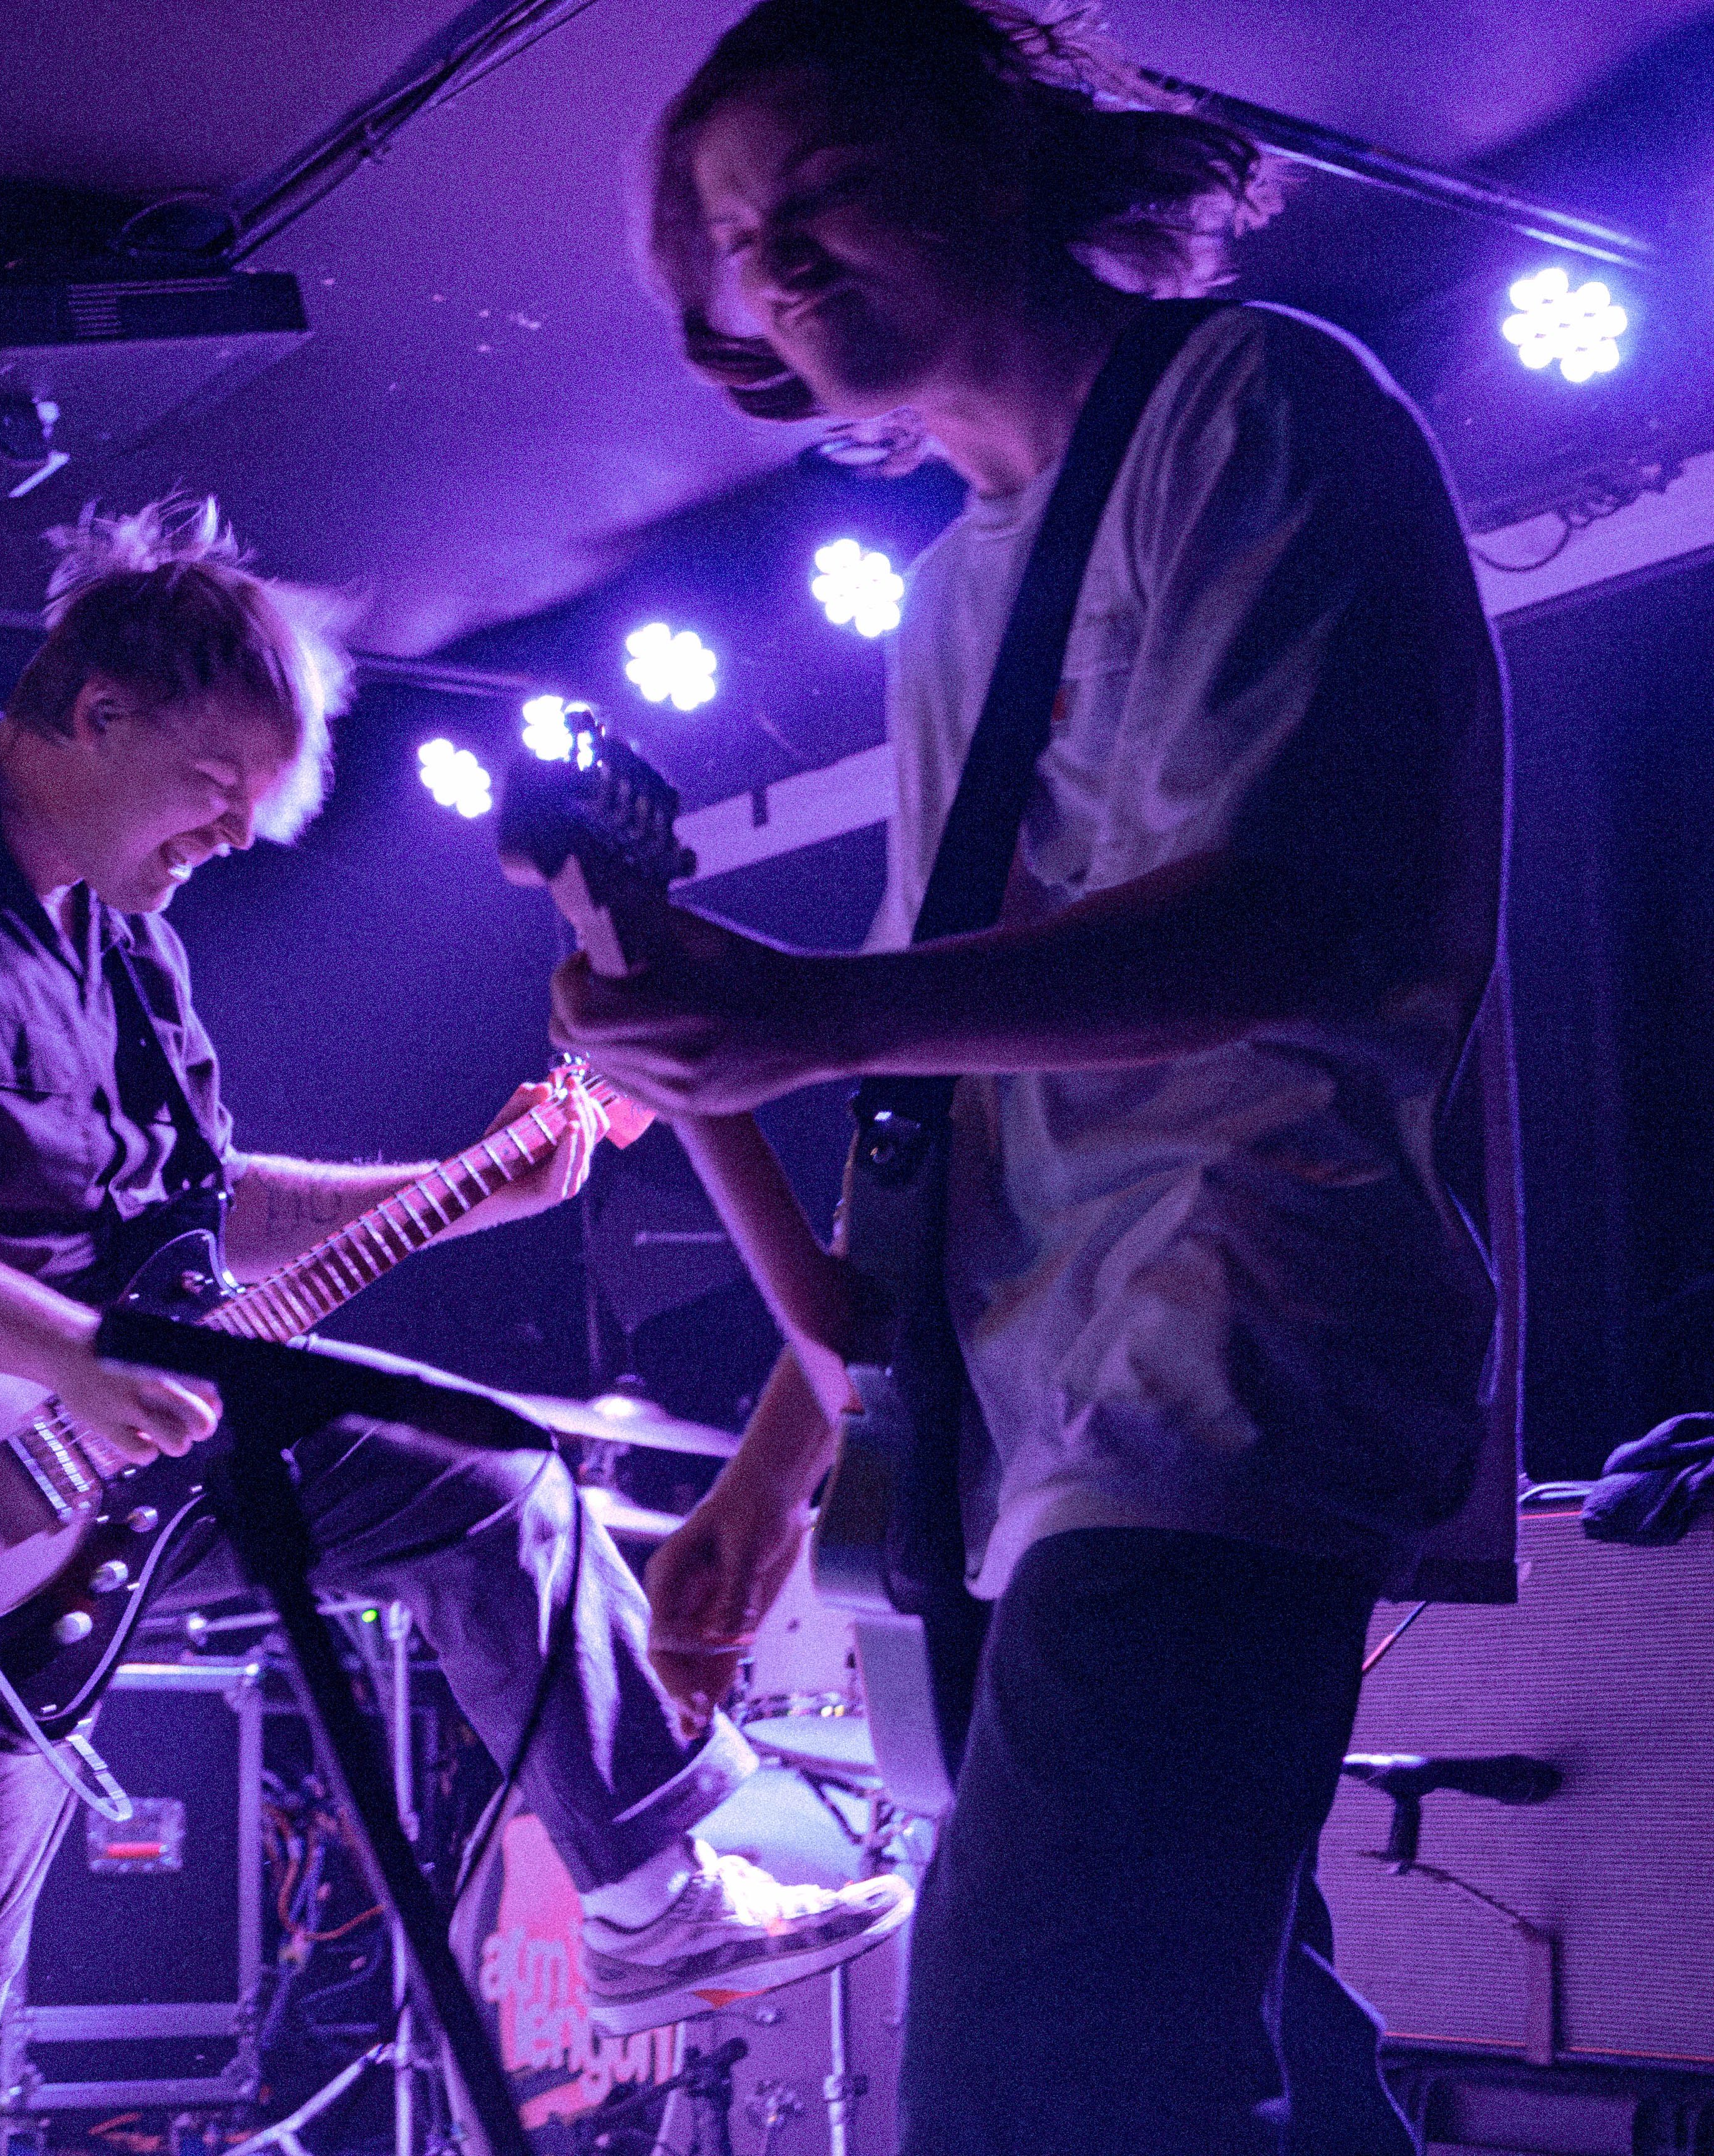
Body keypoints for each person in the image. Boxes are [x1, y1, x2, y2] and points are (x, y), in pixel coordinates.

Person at [0, 499, 912, 2156]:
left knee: (486, 1478)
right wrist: (63, 1355)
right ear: (95, 709)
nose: (235, 837)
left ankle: (653, 1892)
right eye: (211, 789)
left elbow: (201, 1208)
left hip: (117, 1437)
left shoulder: (137, 950)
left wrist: (474, 1187)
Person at [556, 5, 1507, 2150]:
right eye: (725, 236)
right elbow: (944, 1096)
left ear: (999, 151)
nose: (772, 265)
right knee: (1219, 2041)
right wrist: (780, 1456)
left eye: (817, 191)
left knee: (1033, 2074)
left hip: (1228, 1341)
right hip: (1019, 1413)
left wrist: (805, 1013)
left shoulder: (1255, 404)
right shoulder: (940, 600)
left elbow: (1291, 918)